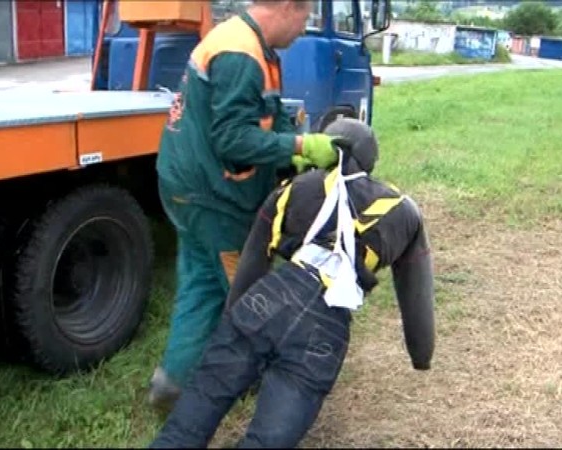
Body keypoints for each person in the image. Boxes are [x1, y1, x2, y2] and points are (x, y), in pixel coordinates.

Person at [148, 118, 436, 448]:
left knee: (192, 416)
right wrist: (421, 354)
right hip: (327, 324)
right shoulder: (404, 211)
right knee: (267, 441)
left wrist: (235, 320)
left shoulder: (290, 191)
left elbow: (253, 262)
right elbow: (416, 293)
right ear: (371, 158)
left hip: (269, 298)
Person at [150, 0, 345, 409]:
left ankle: (173, 382)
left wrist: (290, 150)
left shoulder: (252, 45)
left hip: (187, 186)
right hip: (212, 197)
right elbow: (231, 138)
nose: (304, 29)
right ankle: (273, 382)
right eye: (305, 17)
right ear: (288, 7)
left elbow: (266, 114)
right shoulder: (240, 53)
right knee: (252, 291)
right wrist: (301, 145)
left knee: (202, 284)